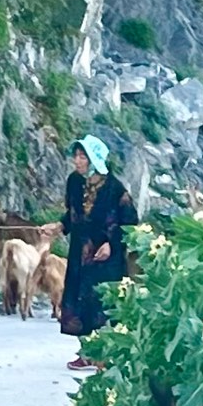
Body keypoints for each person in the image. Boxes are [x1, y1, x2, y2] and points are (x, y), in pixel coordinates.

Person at [61, 134, 135, 370]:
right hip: (79, 252)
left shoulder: (115, 189)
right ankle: (86, 354)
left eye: (82, 156)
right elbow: (72, 214)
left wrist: (112, 244)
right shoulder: (74, 182)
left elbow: (130, 222)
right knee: (78, 299)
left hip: (106, 258)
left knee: (102, 302)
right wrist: (59, 226)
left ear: (94, 159)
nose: (77, 161)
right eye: (76, 156)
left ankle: (106, 356)